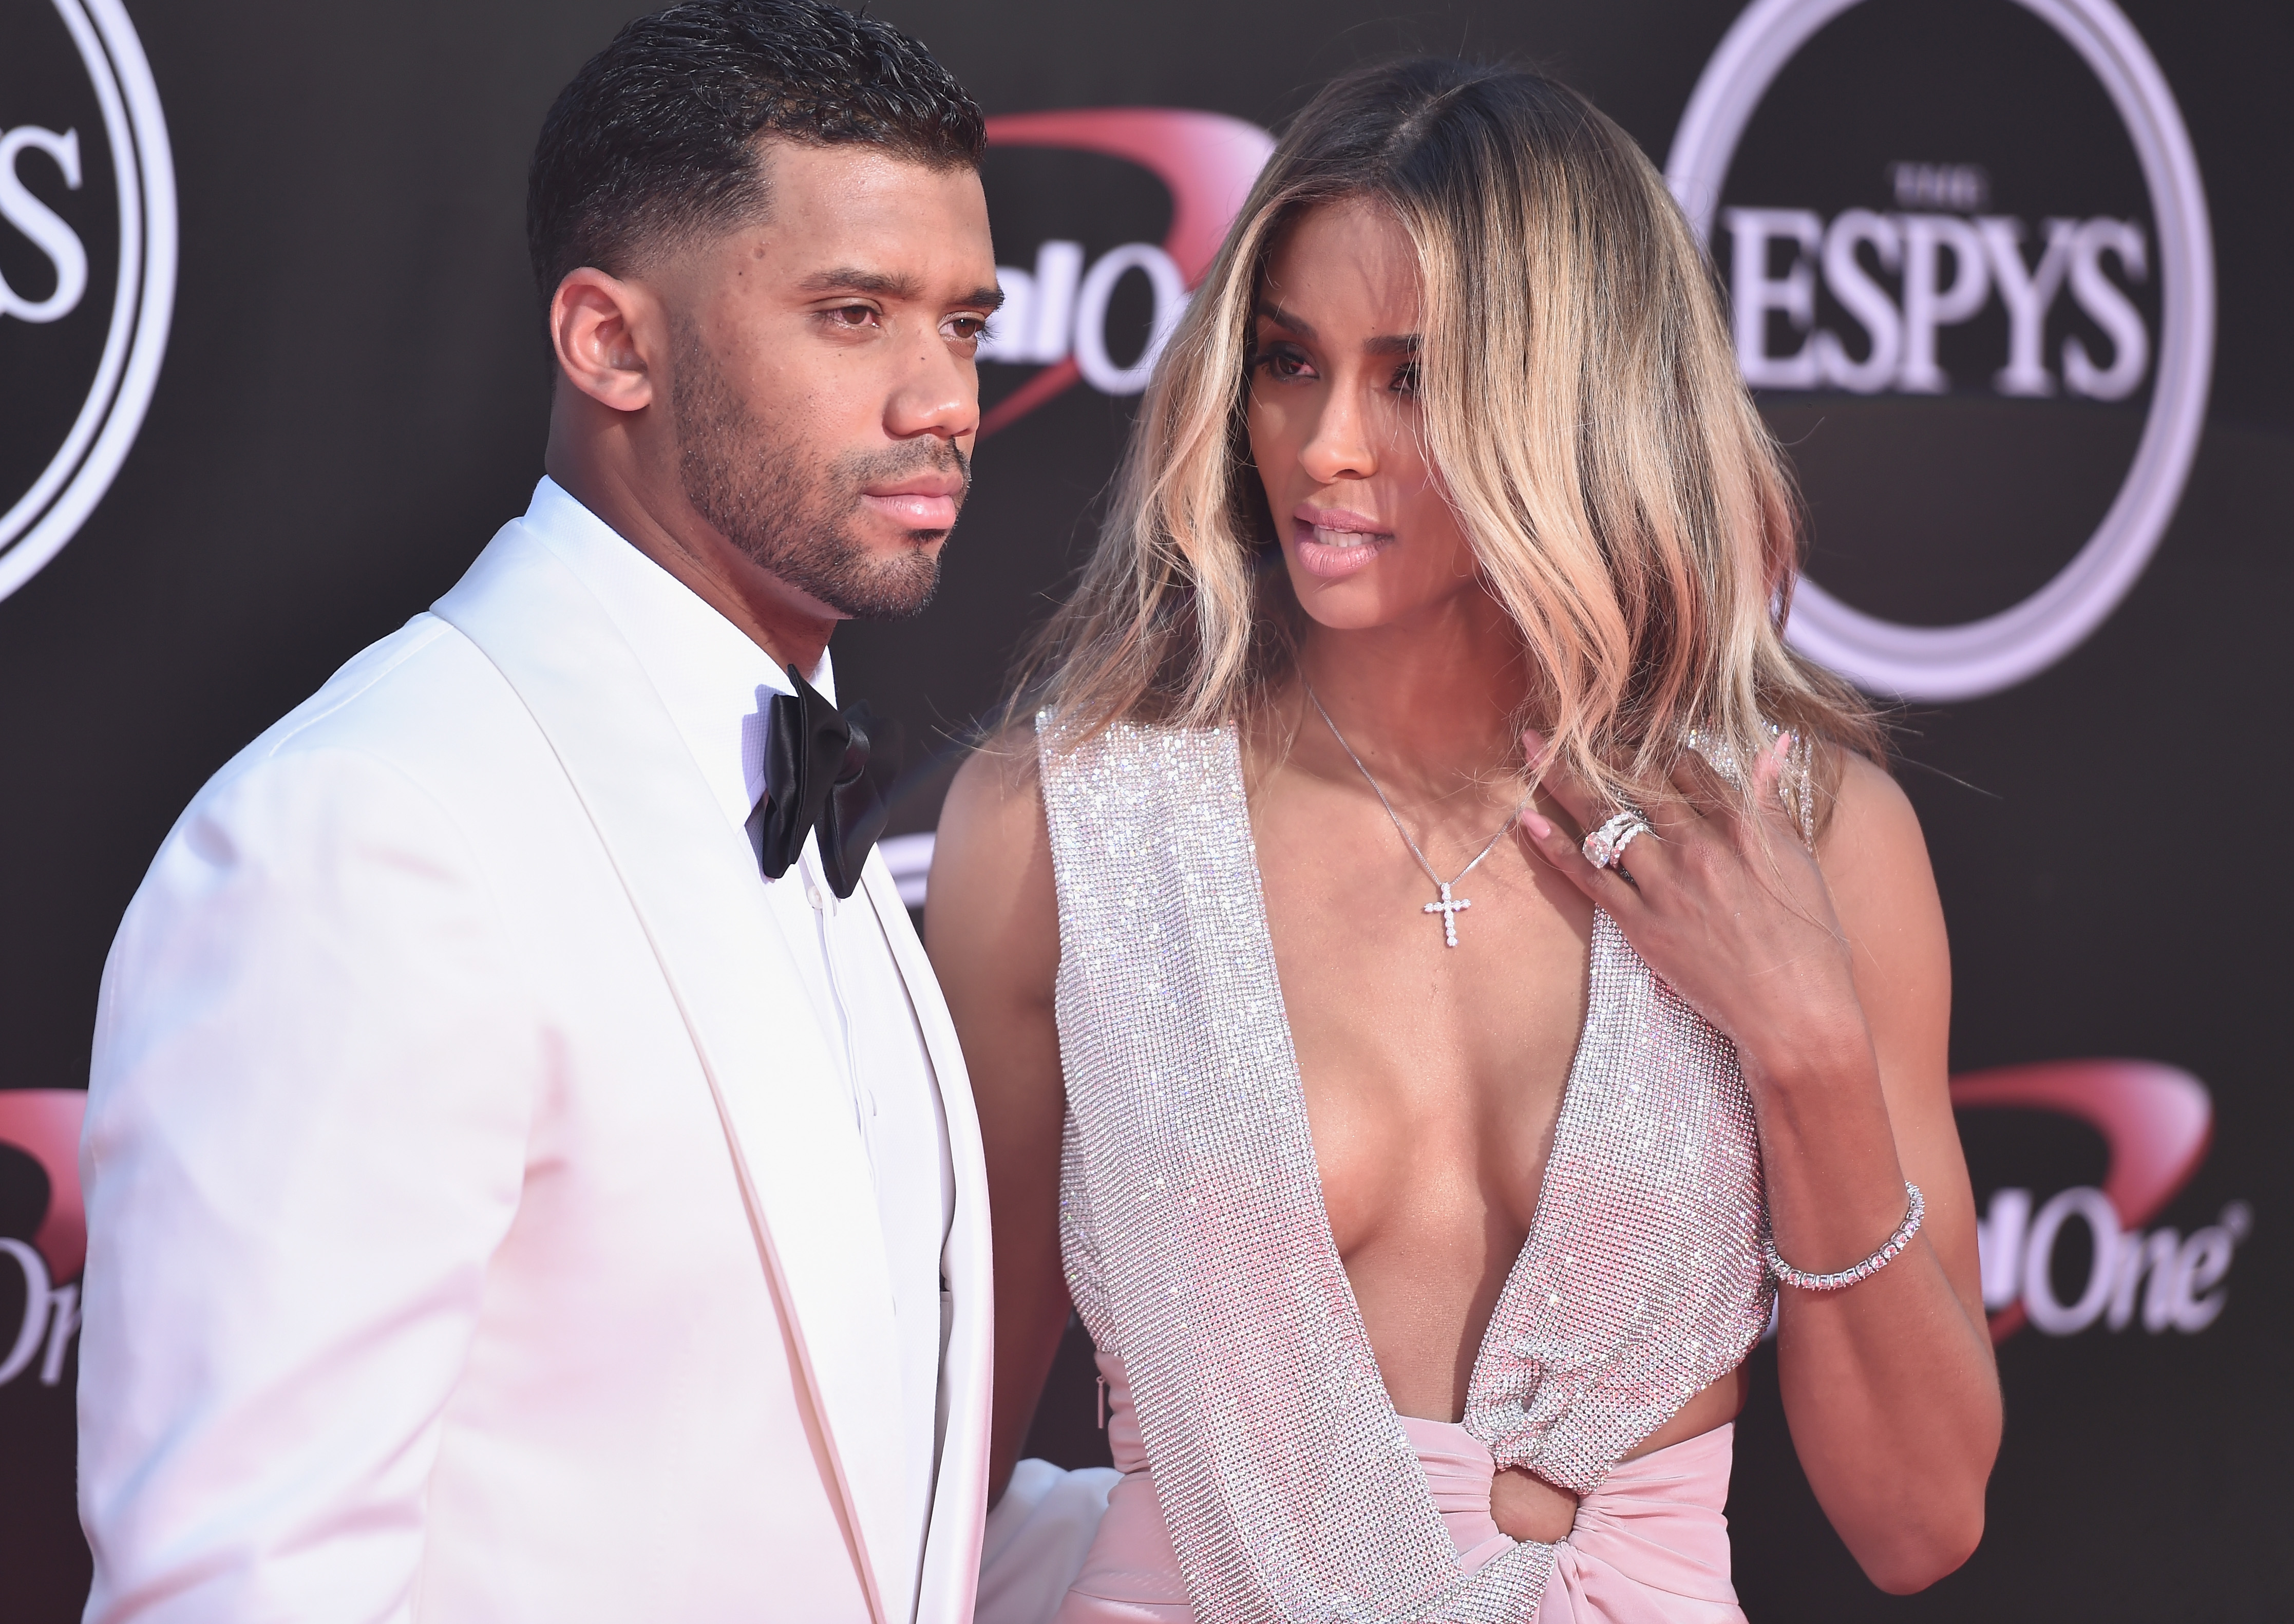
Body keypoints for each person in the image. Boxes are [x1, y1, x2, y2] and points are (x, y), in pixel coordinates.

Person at [931, 60, 2000, 1624]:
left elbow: (1921, 1520)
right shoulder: (1063, 830)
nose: (1324, 444)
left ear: (1581, 400)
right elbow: (931, 1463)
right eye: (1289, 362)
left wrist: (1806, 1043)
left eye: (1413, 380)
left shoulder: (1812, 840)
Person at [77, 6, 999, 1620]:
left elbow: (825, 1512)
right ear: (609, 342)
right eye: (854, 316)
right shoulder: (367, 835)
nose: (945, 402)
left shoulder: (804, 796)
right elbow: (242, 1587)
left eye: (967, 327)